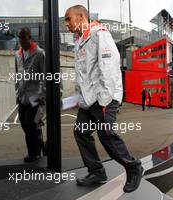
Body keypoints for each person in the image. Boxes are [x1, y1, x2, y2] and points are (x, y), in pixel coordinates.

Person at [65, 5, 143, 193]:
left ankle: (133, 167)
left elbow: (108, 67)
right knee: (81, 132)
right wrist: (78, 99)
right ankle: (97, 171)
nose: (66, 23)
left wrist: (105, 101)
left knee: (106, 134)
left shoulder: (100, 34)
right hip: (89, 100)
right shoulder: (80, 41)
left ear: (81, 16)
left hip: (104, 97)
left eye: (68, 18)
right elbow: (84, 75)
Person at [15, 27, 46, 162]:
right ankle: (42, 147)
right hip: (22, 97)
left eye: (24, 37)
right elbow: (17, 75)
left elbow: (46, 77)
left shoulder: (39, 54)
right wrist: (17, 93)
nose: (21, 40)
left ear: (29, 37)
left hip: (35, 97)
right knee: (24, 124)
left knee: (31, 123)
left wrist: (43, 97)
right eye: (20, 37)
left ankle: (34, 153)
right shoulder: (18, 55)